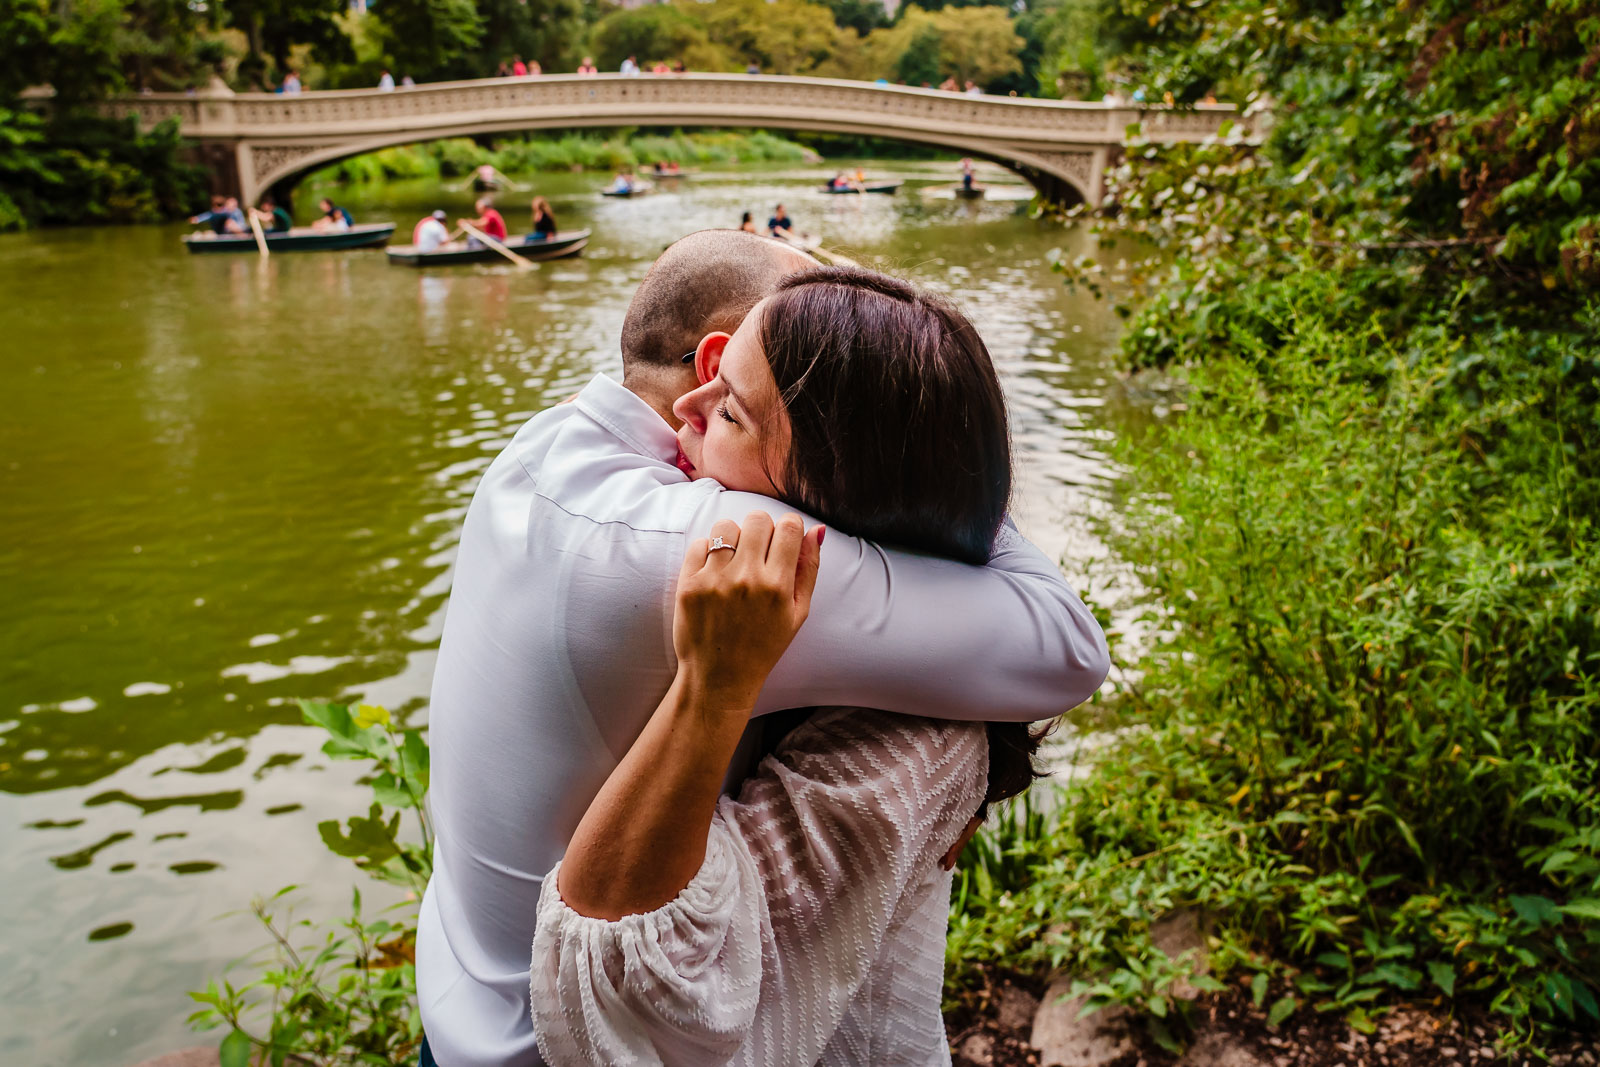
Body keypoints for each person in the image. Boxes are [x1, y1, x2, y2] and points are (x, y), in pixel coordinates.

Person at [414, 231, 1110, 1067]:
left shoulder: (545, 449)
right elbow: (1065, 642)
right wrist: (918, 421)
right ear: (715, 354)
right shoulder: (726, 547)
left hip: (458, 1002)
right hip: (563, 1045)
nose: (696, 410)